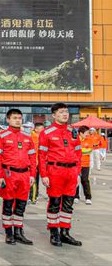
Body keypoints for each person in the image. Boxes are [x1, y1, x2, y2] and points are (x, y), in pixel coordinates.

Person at [38, 103, 82, 247]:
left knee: (68, 204)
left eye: (66, 112)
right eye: (61, 112)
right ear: (54, 115)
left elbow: (78, 154)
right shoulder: (47, 133)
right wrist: (44, 175)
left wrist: (77, 174)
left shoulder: (73, 131)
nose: (65, 114)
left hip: (71, 172)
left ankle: (65, 232)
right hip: (55, 171)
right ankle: (54, 232)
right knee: (55, 203)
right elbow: (42, 155)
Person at [0, 109, 36, 245]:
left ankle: (18, 231)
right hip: (8, 174)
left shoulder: (28, 137)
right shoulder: (1, 136)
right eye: (14, 118)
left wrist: (33, 175)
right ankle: (9, 233)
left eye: (20, 118)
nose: (18, 120)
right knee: (8, 204)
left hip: (24, 174)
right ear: (8, 120)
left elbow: (33, 158)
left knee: (21, 205)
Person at [75, 126, 93, 205]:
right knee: (76, 181)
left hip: (85, 163)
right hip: (75, 163)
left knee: (85, 180)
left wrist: (79, 151)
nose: (88, 134)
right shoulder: (75, 140)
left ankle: (88, 197)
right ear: (81, 133)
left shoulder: (89, 139)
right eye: (86, 133)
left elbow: (89, 150)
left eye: (88, 132)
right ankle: (75, 196)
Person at [29, 122, 45, 203]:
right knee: (33, 180)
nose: (42, 130)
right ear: (36, 129)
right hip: (33, 162)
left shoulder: (42, 137)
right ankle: (32, 197)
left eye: (43, 128)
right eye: (40, 129)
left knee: (37, 180)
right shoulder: (32, 136)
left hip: (40, 162)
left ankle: (35, 195)